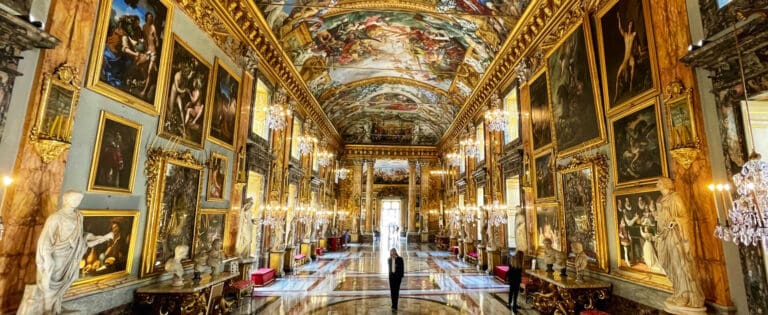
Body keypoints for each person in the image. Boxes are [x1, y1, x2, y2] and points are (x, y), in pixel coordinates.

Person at [17, 190, 114, 315]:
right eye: (74, 199)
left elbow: (80, 235)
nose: (77, 202)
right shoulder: (56, 218)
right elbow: (46, 239)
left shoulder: (79, 216)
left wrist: (94, 237)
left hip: (72, 254)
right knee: (51, 284)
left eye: (79, 199)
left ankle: (56, 308)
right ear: (67, 200)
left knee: (67, 281)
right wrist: (47, 258)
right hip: (58, 255)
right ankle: (47, 310)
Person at [654, 177, 705, 308]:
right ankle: (678, 291)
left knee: (679, 263)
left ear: (665, 184)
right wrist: (657, 217)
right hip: (663, 234)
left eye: (659, 182)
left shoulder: (675, 197)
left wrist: (674, 220)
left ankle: (686, 294)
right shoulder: (659, 200)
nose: (657, 184)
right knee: (668, 262)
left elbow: (684, 216)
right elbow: (661, 218)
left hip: (674, 235)